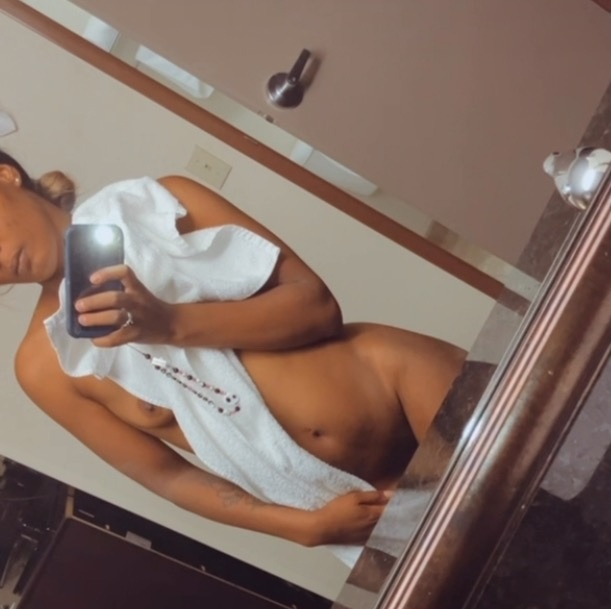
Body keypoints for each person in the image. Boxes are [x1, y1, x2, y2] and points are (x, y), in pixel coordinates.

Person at [2, 150, 466, 563]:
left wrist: (170, 324)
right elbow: (168, 477)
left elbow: (317, 306)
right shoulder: (44, 369)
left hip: (404, 384)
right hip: (349, 508)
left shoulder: (161, 205)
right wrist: (302, 528)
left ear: (6, 177)